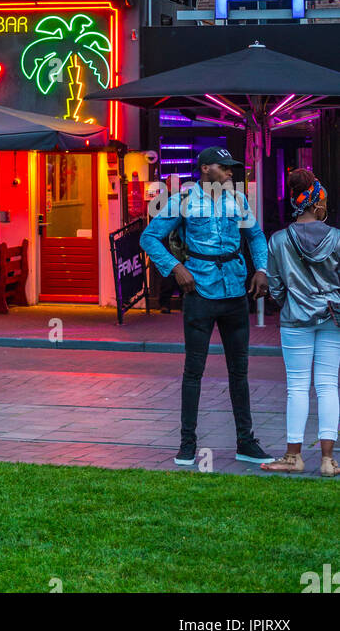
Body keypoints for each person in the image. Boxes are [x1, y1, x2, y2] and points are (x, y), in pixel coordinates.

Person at [140, 146, 270, 467]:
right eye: (224, 168)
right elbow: (149, 238)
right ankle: (187, 444)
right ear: (205, 168)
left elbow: (255, 236)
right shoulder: (183, 200)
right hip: (199, 292)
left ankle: (246, 441)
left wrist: (262, 269)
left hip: (235, 293)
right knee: (193, 371)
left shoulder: (238, 201)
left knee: (239, 371)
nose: (230, 173)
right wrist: (175, 268)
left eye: (231, 168)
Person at [261, 171, 340, 476]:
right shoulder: (336, 237)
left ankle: (293, 457)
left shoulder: (279, 240)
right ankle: (328, 460)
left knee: (297, 387)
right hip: (333, 317)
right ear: (317, 202)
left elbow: (275, 286)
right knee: (328, 385)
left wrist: (291, 302)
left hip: (295, 318)